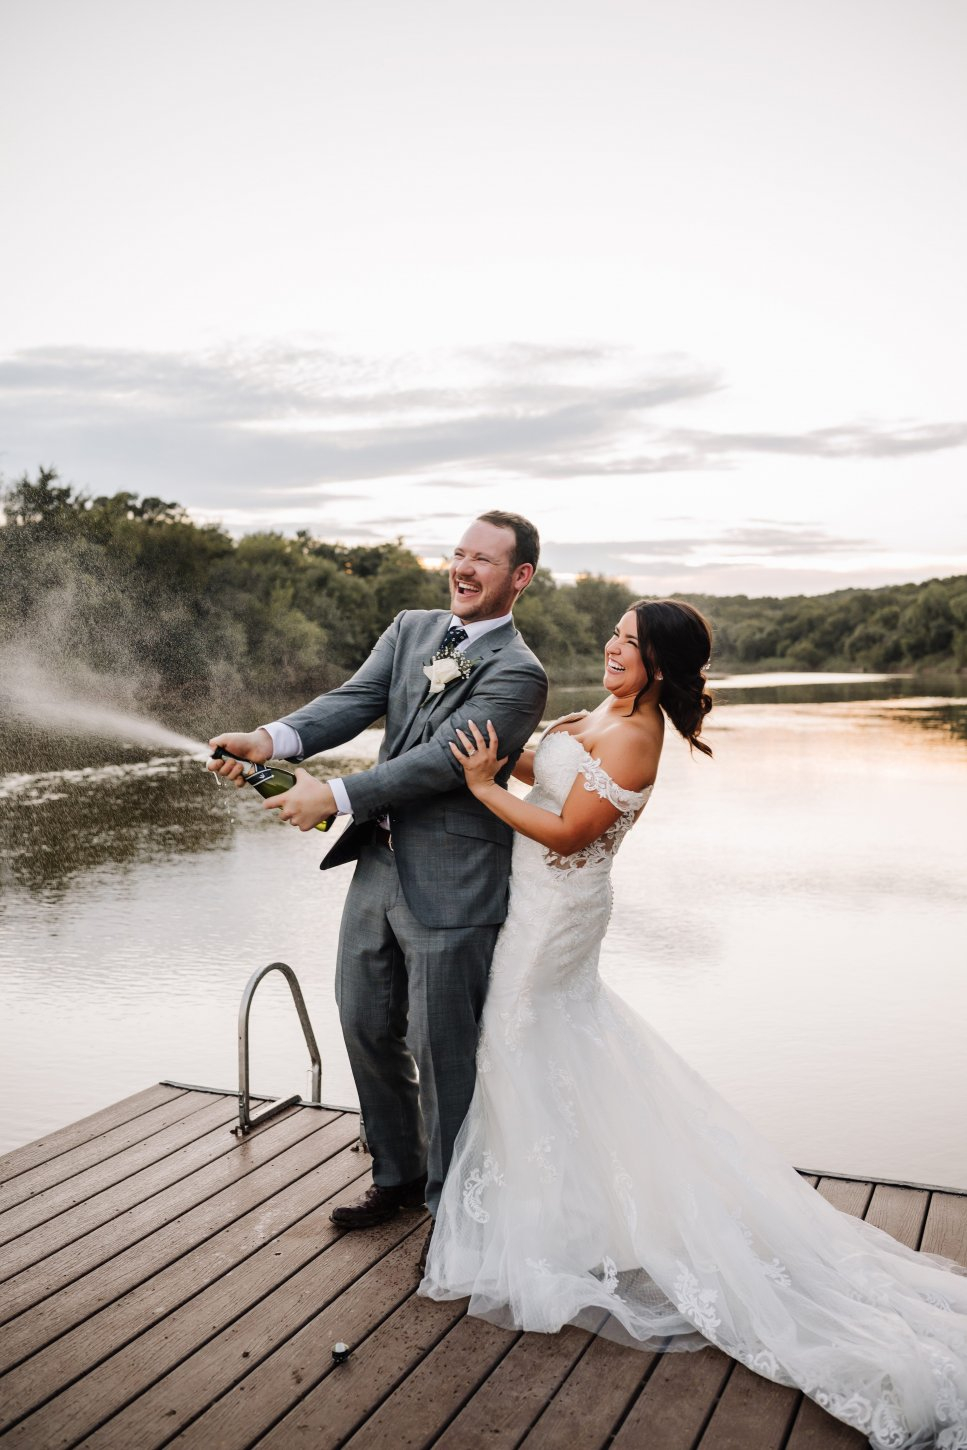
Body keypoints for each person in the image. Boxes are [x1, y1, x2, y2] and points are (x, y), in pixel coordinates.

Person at [419, 599, 967, 1450]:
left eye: (630, 644)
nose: (612, 648)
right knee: (540, 1050)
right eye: (614, 633)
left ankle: (556, 1223)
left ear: (661, 667)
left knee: (525, 1042)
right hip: (533, 908)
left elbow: (568, 832)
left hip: (557, 909)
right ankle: (566, 1210)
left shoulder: (638, 739)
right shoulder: (603, 711)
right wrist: (499, 752)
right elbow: (556, 774)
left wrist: (487, 788)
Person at [208, 511, 548, 1256]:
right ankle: (397, 1174)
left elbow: (442, 762)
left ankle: (454, 1217)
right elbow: (351, 703)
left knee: (442, 1049)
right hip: (379, 867)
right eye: (458, 553)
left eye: (483, 560)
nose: (462, 568)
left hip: (455, 882)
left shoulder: (519, 674)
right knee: (363, 1022)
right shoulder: (411, 629)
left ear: (518, 577)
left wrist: (331, 797)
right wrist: (268, 740)